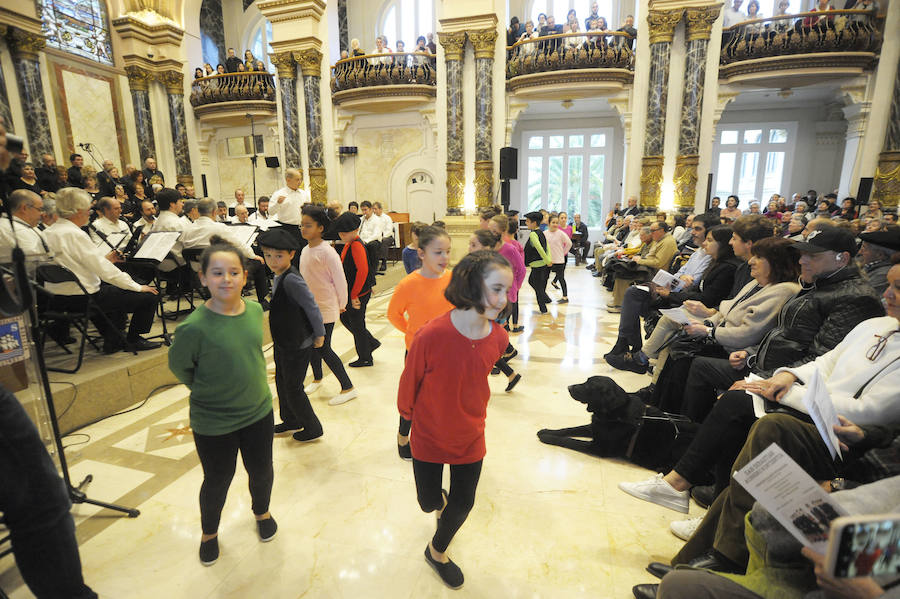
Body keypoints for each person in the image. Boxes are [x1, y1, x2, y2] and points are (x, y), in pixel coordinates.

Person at [398, 250, 512, 590]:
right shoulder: (431, 335)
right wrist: (405, 430)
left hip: (470, 435)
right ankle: (438, 505)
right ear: (470, 286)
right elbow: (409, 384)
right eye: (496, 289)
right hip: (429, 435)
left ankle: (437, 551)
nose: (504, 300)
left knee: (464, 503)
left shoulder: (498, 337)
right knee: (429, 502)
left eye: (507, 290)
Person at [168, 238, 277, 566]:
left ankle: (262, 512)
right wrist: (209, 389)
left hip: (258, 409)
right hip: (214, 420)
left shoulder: (255, 310)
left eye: (233, 272)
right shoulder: (193, 328)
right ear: (203, 278)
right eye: (217, 273)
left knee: (262, 470)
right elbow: (180, 367)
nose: (226, 279)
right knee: (217, 479)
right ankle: (209, 533)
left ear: (245, 276)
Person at [44, 187, 161, 353]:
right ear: (77, 211)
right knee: (149, 296)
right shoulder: (75, 234)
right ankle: (133, 340)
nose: (89, 213)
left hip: (56, 299)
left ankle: (113, 339)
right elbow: (104, 269)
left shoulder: (48, 232)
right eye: (88, 210)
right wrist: (137, 286)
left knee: (112, 290)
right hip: (84, 299)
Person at [255, 228, 326, 443]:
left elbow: (311, 306)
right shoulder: (279, 276)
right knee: (282, 381)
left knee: (294, 387)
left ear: (291, 254)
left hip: (297, 342)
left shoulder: (292, 279)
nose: (273, 261)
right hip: (284, 341)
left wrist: (320, 333)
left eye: (279, 256)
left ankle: (313, 427)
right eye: (268, 256)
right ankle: (291, 419)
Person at [389, 225, 455, 459]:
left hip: (447, 353)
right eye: (438, 252)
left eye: (447, 251)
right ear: (421, 253)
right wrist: (412, 334)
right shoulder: (408, 284)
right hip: (417, 353)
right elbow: (393, 314)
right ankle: (403, 437)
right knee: (412, 398)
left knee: (442, 397)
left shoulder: (451, 279)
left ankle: (436, 435)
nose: (445, 257)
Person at [299, 204, 357, 406]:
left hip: (326, 307)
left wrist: (342, 303)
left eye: (308, 225)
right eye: (301, 225)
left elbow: (340, 280)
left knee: (323, 347)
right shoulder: (305, 250)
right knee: (311, 346)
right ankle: (317, 378)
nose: (303, 229)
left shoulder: (327, 252)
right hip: (309, 307)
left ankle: (348, 387)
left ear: (321, 228)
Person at [180, 198, 270, 306]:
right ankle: (262, 301)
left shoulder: (187, 229)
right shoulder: (219, 228)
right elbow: (239, 245)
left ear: (198, 211)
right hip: (221, 270)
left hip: (197, 270)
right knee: (258, 263)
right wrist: (253, 255)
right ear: (214, 212)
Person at [468, 229, 522, 393]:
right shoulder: (477, 265)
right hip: (478, 316)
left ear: (486, 247)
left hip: (484, 317)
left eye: (473, 244)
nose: (469, 248)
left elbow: (499, 295)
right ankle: (510, 374)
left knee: (480, 351)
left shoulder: (491, 267)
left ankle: (476, 385)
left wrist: (499, 318)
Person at [334, 211, 379, 367]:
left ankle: (365, 357)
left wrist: (354, 295)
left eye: (344, 233)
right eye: (340, 232)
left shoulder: (356, 246)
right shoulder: (350, 243)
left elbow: (363, 271)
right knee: (347, 319)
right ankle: (371, 342)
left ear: (355, 231)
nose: (341, 235)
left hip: (357, 293)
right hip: (354, 291)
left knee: (357, 324)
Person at [489, 214, 526, 333]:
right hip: (491, 292)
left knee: (500, 326)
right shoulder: (488, 248)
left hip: (507, 293)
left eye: (494, 231)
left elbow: (521, 270)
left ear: (503, 231)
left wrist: (515, 287)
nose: (490, 233)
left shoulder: (510, 249)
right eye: (489, 230)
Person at [269, 168, 308, 260]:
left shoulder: (303, 194)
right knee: (292, 256)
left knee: (304, 254)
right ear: (288, 180)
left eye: (300, 179)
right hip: (288, 229)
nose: (300, 182)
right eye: (297, 179)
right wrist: (278, 203)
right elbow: (271, 212)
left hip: (303, 228)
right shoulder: (279, 194)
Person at [523, 211, 552, 314]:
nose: (526, 223)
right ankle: (546, 298)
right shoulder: (541, 232)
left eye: (527, 221)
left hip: (537, 263)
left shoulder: (533, 234)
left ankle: (543, 308)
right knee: (532, 281)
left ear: (534, 223)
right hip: (541, 263)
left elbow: (540, 248)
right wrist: (548, 259)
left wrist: (548, 260)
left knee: (538, 286)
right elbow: (547, 246)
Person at [858, 229, 898, 295]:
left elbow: (864, 297)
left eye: (864, 248)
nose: (860, 252)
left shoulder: (883, 275)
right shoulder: (868, 264)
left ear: (880, 255)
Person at [545, 214, 572, 303]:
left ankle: (565, 297)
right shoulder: (544, 233)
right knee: (544, 278)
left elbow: (569, 244)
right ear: (549, 223)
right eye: (553, 222)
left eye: (557, 223)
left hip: (559, 260)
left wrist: (563, 253)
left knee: (561, 278)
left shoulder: (561, 233)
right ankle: (544, 296)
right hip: (548, 261)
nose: (555, 224)